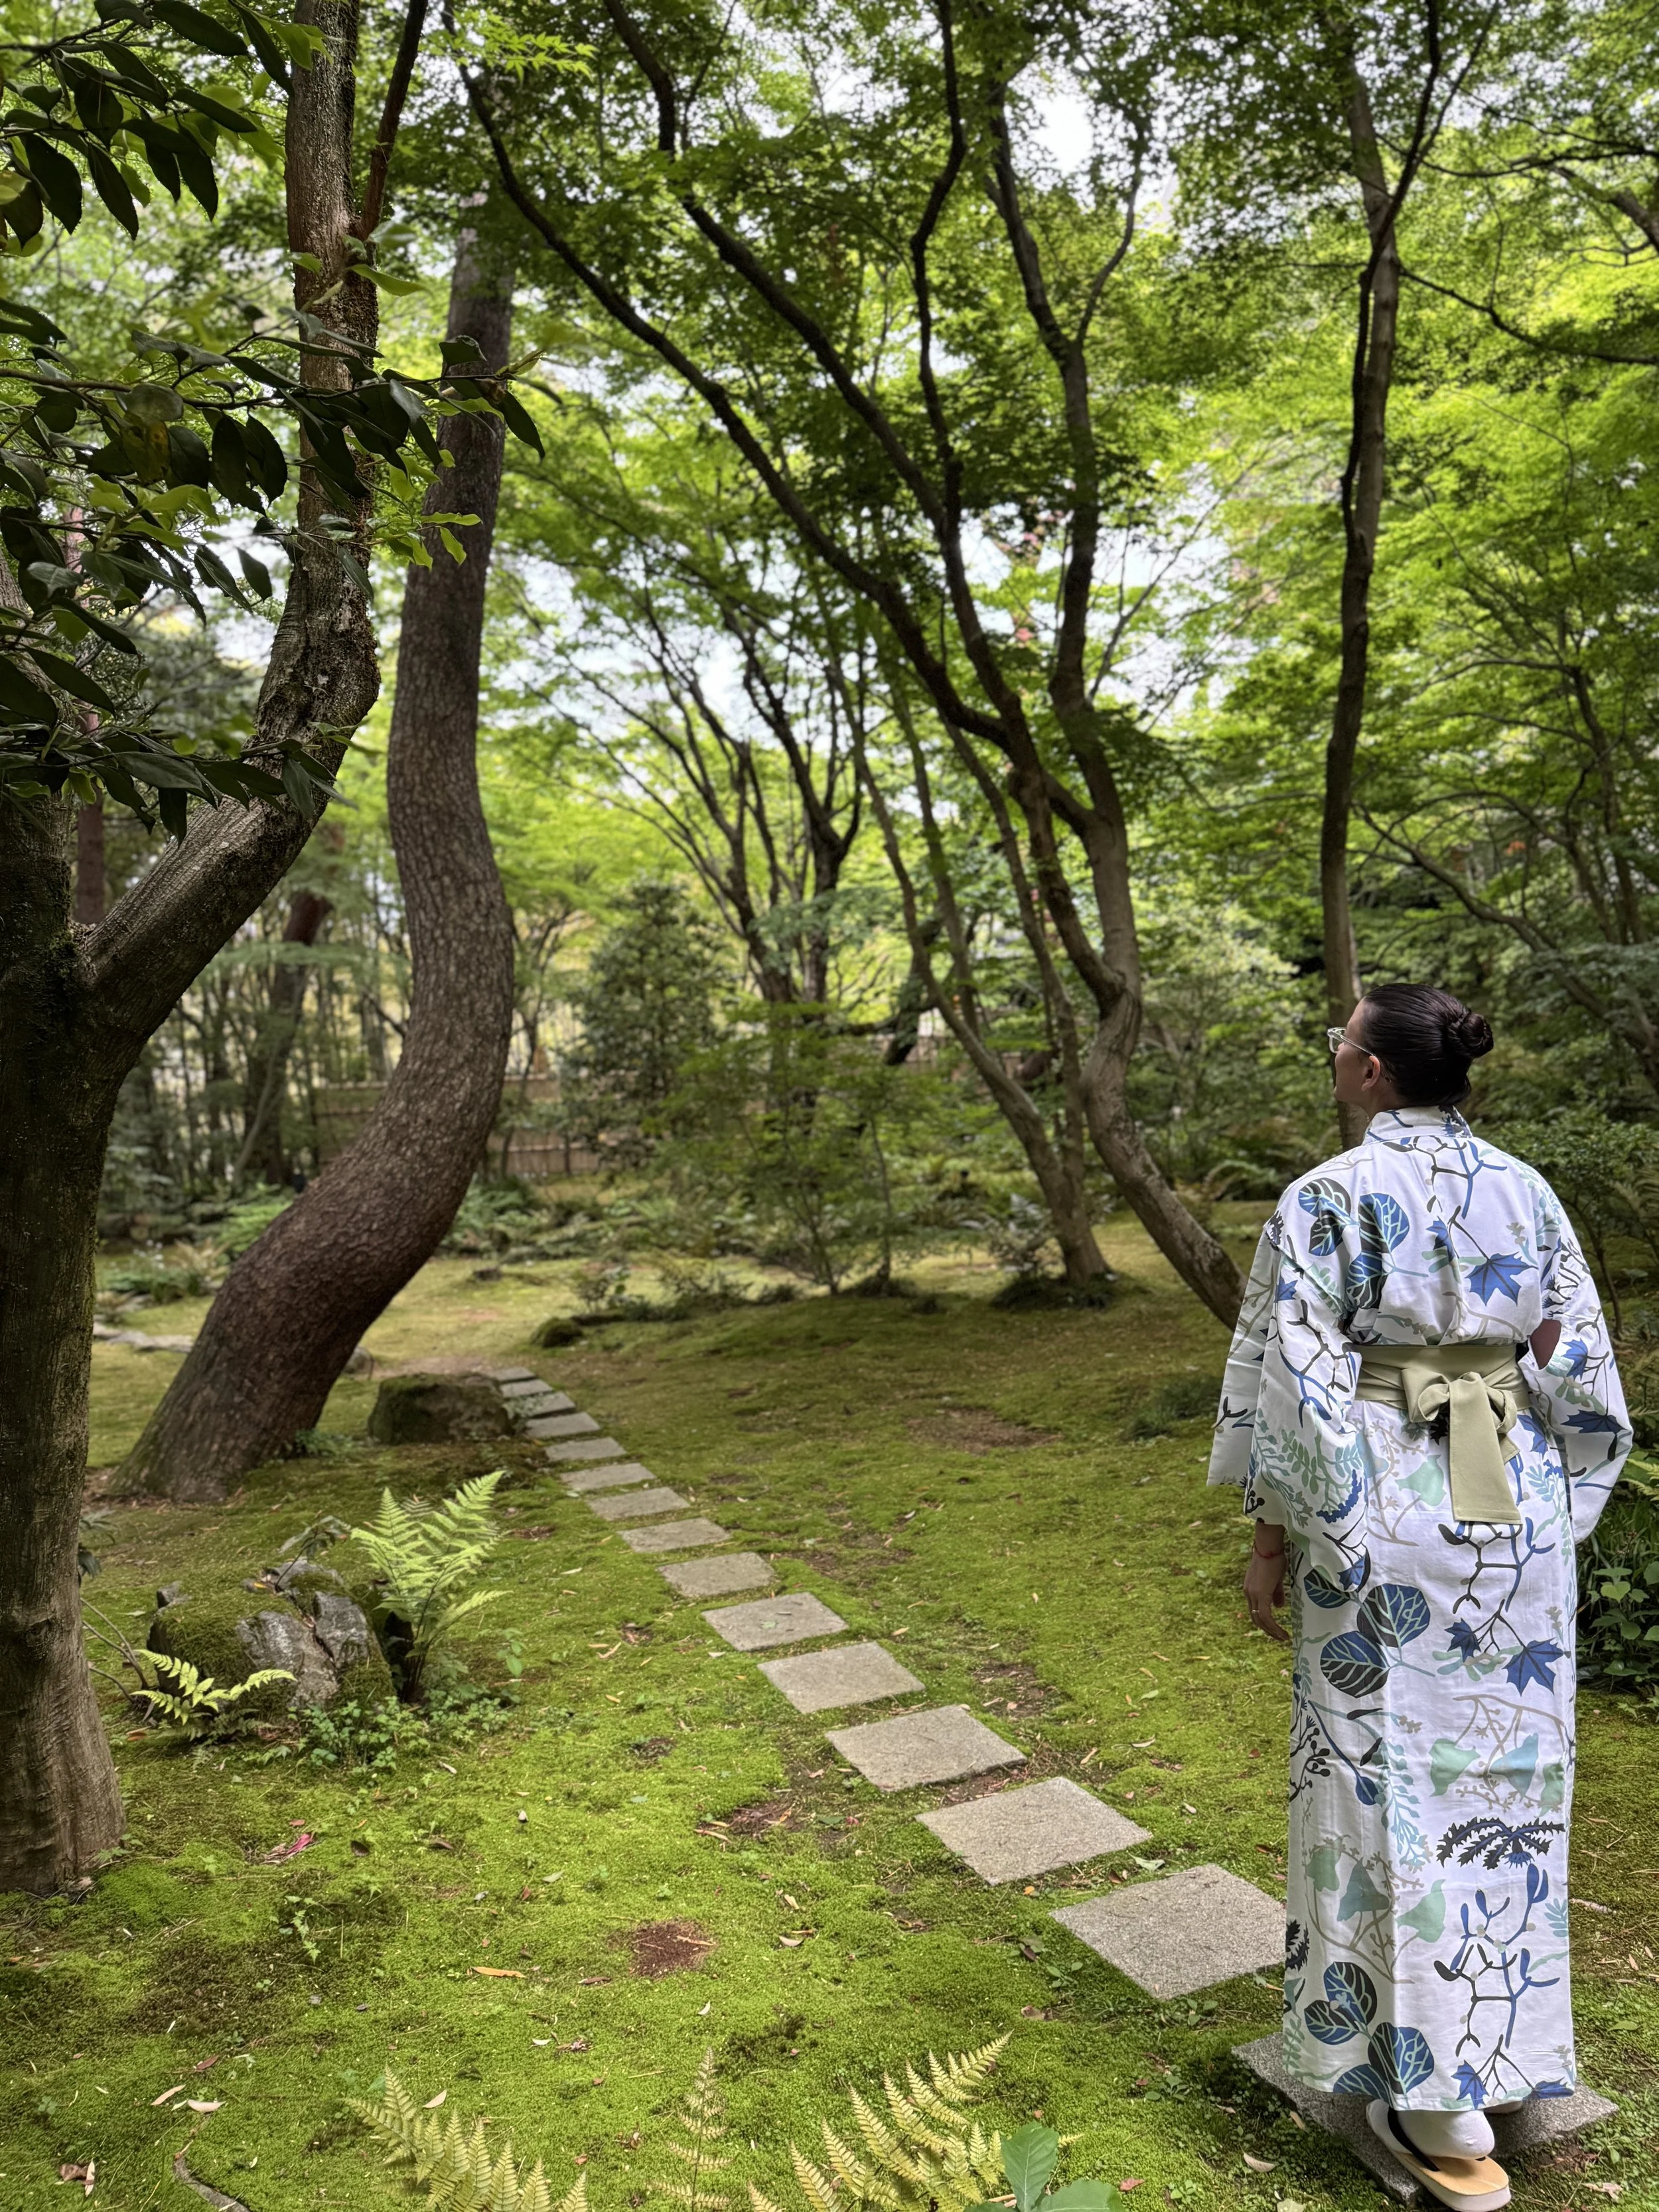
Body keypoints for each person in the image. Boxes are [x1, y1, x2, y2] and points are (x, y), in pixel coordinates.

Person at [1208, 986, 1630, 2211]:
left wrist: (1275, 1542)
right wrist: (1553, 1511)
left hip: (1380, 1505)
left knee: (1378, 1778)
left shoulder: (1326, 1199)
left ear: (1377, 1074)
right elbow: (1582, 1371)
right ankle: (1490, 2049)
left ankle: (1425, 2093)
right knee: (1505, 1781)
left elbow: (1289, 1389)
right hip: (1502, 1491)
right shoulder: (1527, 1190)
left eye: (1342, 1042)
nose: (1333, 1057)